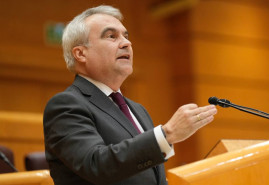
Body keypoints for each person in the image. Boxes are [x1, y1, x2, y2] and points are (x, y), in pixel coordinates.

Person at [43, 5, 217, 185]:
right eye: (111, 36)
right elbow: (96, 164)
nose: (127, 43)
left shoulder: (137, 109)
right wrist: (167, 134)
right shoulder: (66, 105)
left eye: (126, 36)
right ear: (80, 53)